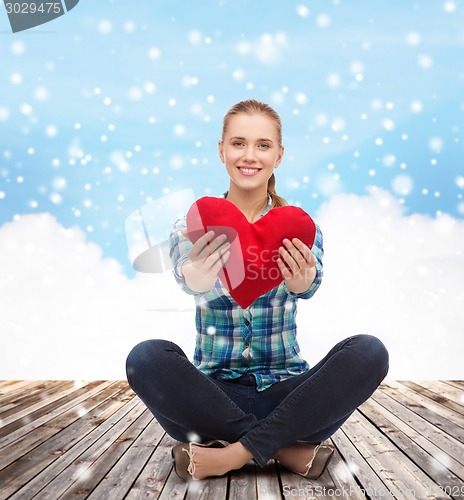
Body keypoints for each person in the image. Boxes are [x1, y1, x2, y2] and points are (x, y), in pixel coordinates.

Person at [126, 99, 389, 481]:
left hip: (291, 398)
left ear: (279, 155)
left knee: (369, 351)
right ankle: (282, 449)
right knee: (145, 357)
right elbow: (188, 279)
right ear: (221, 150)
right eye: (238, 143)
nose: (250, 156)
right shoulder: (192, 224)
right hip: (212, 399)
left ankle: (230, 454)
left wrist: (301, 283)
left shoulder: (299, 227)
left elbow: (309, 285)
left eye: (263, 145)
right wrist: (198, 275)